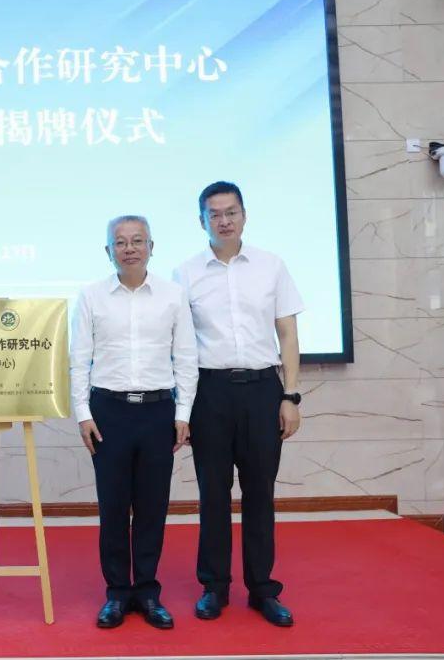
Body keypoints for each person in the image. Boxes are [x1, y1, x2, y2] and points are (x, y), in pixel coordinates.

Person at [173, 181, 303, 627]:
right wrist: (183, 407)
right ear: (202, 221)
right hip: (210, 393)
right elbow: (179, 346)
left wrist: (289, 396)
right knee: (212, 493)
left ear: (244, 215)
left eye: (231, 212)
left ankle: (263, 589)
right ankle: (214, 586)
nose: (224, 220)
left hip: (263, 390)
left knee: (260, 492)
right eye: (214, 214)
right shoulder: (185, 274)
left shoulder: (271, 266)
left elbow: (287, 334)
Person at [71, 215, 198, 630]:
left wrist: (182, 414)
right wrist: (83, 413)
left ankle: (146, 591)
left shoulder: (173, 295)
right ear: (108, 250)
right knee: (113, 507)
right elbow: (79, 359)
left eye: (137, 241)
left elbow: (186, 358)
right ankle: (116, 593)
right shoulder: (91, 296)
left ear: (151, 247)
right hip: (108, 412)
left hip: (158, 411)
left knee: (151, 507)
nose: (129, 248)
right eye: (121, 242)